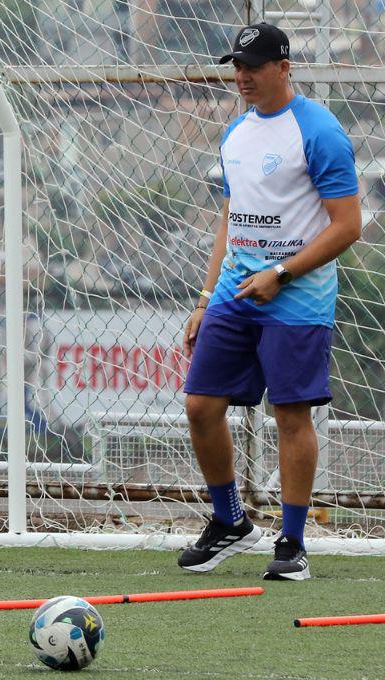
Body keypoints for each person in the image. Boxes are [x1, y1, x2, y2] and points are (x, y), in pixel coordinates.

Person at [179, 23, 361, 580]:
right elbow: (231, 218)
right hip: (235, 292)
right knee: (200, 406)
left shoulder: (320, 131)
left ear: (285, 67)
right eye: (237, 65)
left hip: (296, 298)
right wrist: (207, 297)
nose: (243, 76)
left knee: (289, 414)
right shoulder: (235, 131)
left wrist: (280, 273)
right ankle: (231, 522)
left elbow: (349, 225)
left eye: (254, 66)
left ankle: (292, 543)